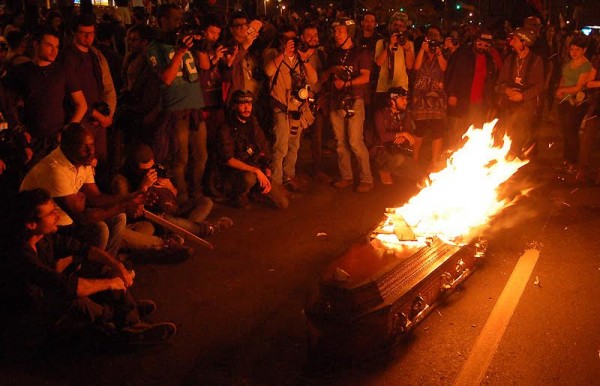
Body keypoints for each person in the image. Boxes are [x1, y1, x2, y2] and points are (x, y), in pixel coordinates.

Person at [0, 188, 177, 357]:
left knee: (106, 271)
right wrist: (111, 284)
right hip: (28, 323)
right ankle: (125, 330)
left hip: (48, 299)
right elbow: (67, 287)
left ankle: (130, 318)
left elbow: (84, 249)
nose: (57, 216)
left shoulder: (44, 237)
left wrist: (117, 266)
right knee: (76, 301)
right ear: (31, 224)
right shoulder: (19, 255)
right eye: (51, 213)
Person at [19, 123, 143, 257]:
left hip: (65, 218)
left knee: (119, 217)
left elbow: (96, 198)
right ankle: (91, 272)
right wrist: (123, 206)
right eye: (84, 147)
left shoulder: (82, 161)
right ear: (67, 147)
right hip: (47, 225)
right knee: (100, 229)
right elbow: (82, 217)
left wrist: (131, 197)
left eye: (92, 145)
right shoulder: (55, 169)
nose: (91, 151)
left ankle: (105, 266)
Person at [112, 143, 233, 251]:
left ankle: (178, 235)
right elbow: (132, 212)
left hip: (171, 209)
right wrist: (143, 187)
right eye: (145, 170)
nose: (150, 172)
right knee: (152, 227)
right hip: (152, 218)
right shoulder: (122, 180)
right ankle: (203, 229)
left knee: (206, 202)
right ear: (134, 167)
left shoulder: (157, 169)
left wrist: (169, 187)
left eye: (151, 167)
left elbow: (174, 194)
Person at [147, 4, 207, 206]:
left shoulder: (186, 41)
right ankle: (180, 197)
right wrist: (180, 51)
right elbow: (166, 78)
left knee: (201, 155)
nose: (179, 23)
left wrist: (201, 45)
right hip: (176, 110)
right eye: (174, 19)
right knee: (180, 158)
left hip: (195, 108)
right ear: (161, 21)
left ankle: (196, 192)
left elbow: (206, 66)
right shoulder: (155, 47)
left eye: (181, 19)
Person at [4, 28, 87, 167]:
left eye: (56, 47)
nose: (54, 50)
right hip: (30, 140)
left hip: (56, 140)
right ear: (36, 44)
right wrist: (19, 131)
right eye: (49, 45)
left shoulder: (63, 70)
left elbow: (81, 104)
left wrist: (67, 133)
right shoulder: (21, 71)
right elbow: (7, 104)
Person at [321, 17, 373, 193]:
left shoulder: (361, 53)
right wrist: (332, 72)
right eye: (335, 31)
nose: (336, 34)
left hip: (354, 100)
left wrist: (345, 84)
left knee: (355, 141)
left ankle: (367, 178)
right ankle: (346, 176)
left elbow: (366, 77)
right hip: (336, 101)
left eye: (340, 31)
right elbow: (325, 76)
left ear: (349, 32)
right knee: (340, 142)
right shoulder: (333, 54)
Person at [263, 24, 317, 192]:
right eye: (287, 39)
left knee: (294, 145)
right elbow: (268, 71)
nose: (291, 43)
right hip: (281, 108)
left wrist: (305, 59)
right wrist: (283, 54)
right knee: (281, 146)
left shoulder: (301, 57)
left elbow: (313, 79)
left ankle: (289, 176)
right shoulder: (272, 54)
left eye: (293, 39)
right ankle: (276, 183)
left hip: (297, 109)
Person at [217, 90, 288, 209]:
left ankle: (255, 191)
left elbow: (263, 144)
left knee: (283, 203)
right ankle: (237, 196)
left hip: (255, 167)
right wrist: (255, 171)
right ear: (235, 106)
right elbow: (228, 160)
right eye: (242, 104)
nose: (246, 108)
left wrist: (266, 167)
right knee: (249, 179)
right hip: (236, 171)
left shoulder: (253, 122)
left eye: (249, 104)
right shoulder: (226, 128)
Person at [495, 27, 543, 159]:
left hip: (526, 107)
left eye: (514, 40)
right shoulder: (510, 59)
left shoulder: (536, 61)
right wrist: (507, 90)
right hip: (508, 106)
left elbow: (539, 86)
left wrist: (523, 96)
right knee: (506, 134)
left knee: (521, 134)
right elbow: (499, 84)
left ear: (524, 42)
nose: (511, 43)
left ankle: (518, 159)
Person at [445, 31, 499, 149]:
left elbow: (490, 82)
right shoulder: (462, 54)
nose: (482, 48)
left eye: (486, 46)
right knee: (456, 132)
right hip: (461, 100)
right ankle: (452, 157)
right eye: (480, 44)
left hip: (479, 104)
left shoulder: (489, 59)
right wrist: (452, 93)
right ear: (475, 42)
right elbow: (453, 73)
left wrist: (490, 103)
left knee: (475, 132)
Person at [555, 35, 593, 174]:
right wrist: (559, 90)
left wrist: (562, 90)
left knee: (572, 132)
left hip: (577, 102)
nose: (574, 52)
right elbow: (563, 77)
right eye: (572, 49)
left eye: (577, 49)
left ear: (584, 50)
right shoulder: (569, 62)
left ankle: (573, 162)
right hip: (564, 100)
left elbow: (578, 87)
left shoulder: (586, 65)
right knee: (565, 131)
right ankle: (566, 161)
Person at [412, 26, 447, 172]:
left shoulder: (441, 52)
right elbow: (416, 66)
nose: (433, 41)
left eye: (436, 37)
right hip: (420, 95)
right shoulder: (422, 51)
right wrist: (422, 49)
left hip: (437, 96)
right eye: (430, 37)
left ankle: (434, 161)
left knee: (437, 129)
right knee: (419, 129)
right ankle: (414, 162)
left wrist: (438, 53)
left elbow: (444, 68)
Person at [373, 87, 424, 185]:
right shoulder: (380, 114)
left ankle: (396, 171)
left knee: (420, 174)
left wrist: (404, 137)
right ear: (392, 101)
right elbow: (382, 137)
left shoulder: (405, 115)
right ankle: (383, 170)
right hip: (380, 150)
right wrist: (402, 134)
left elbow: (411, 137)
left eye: (406, 99)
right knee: (397, 159)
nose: (405, 102)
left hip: (397, 150)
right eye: (402, 99)